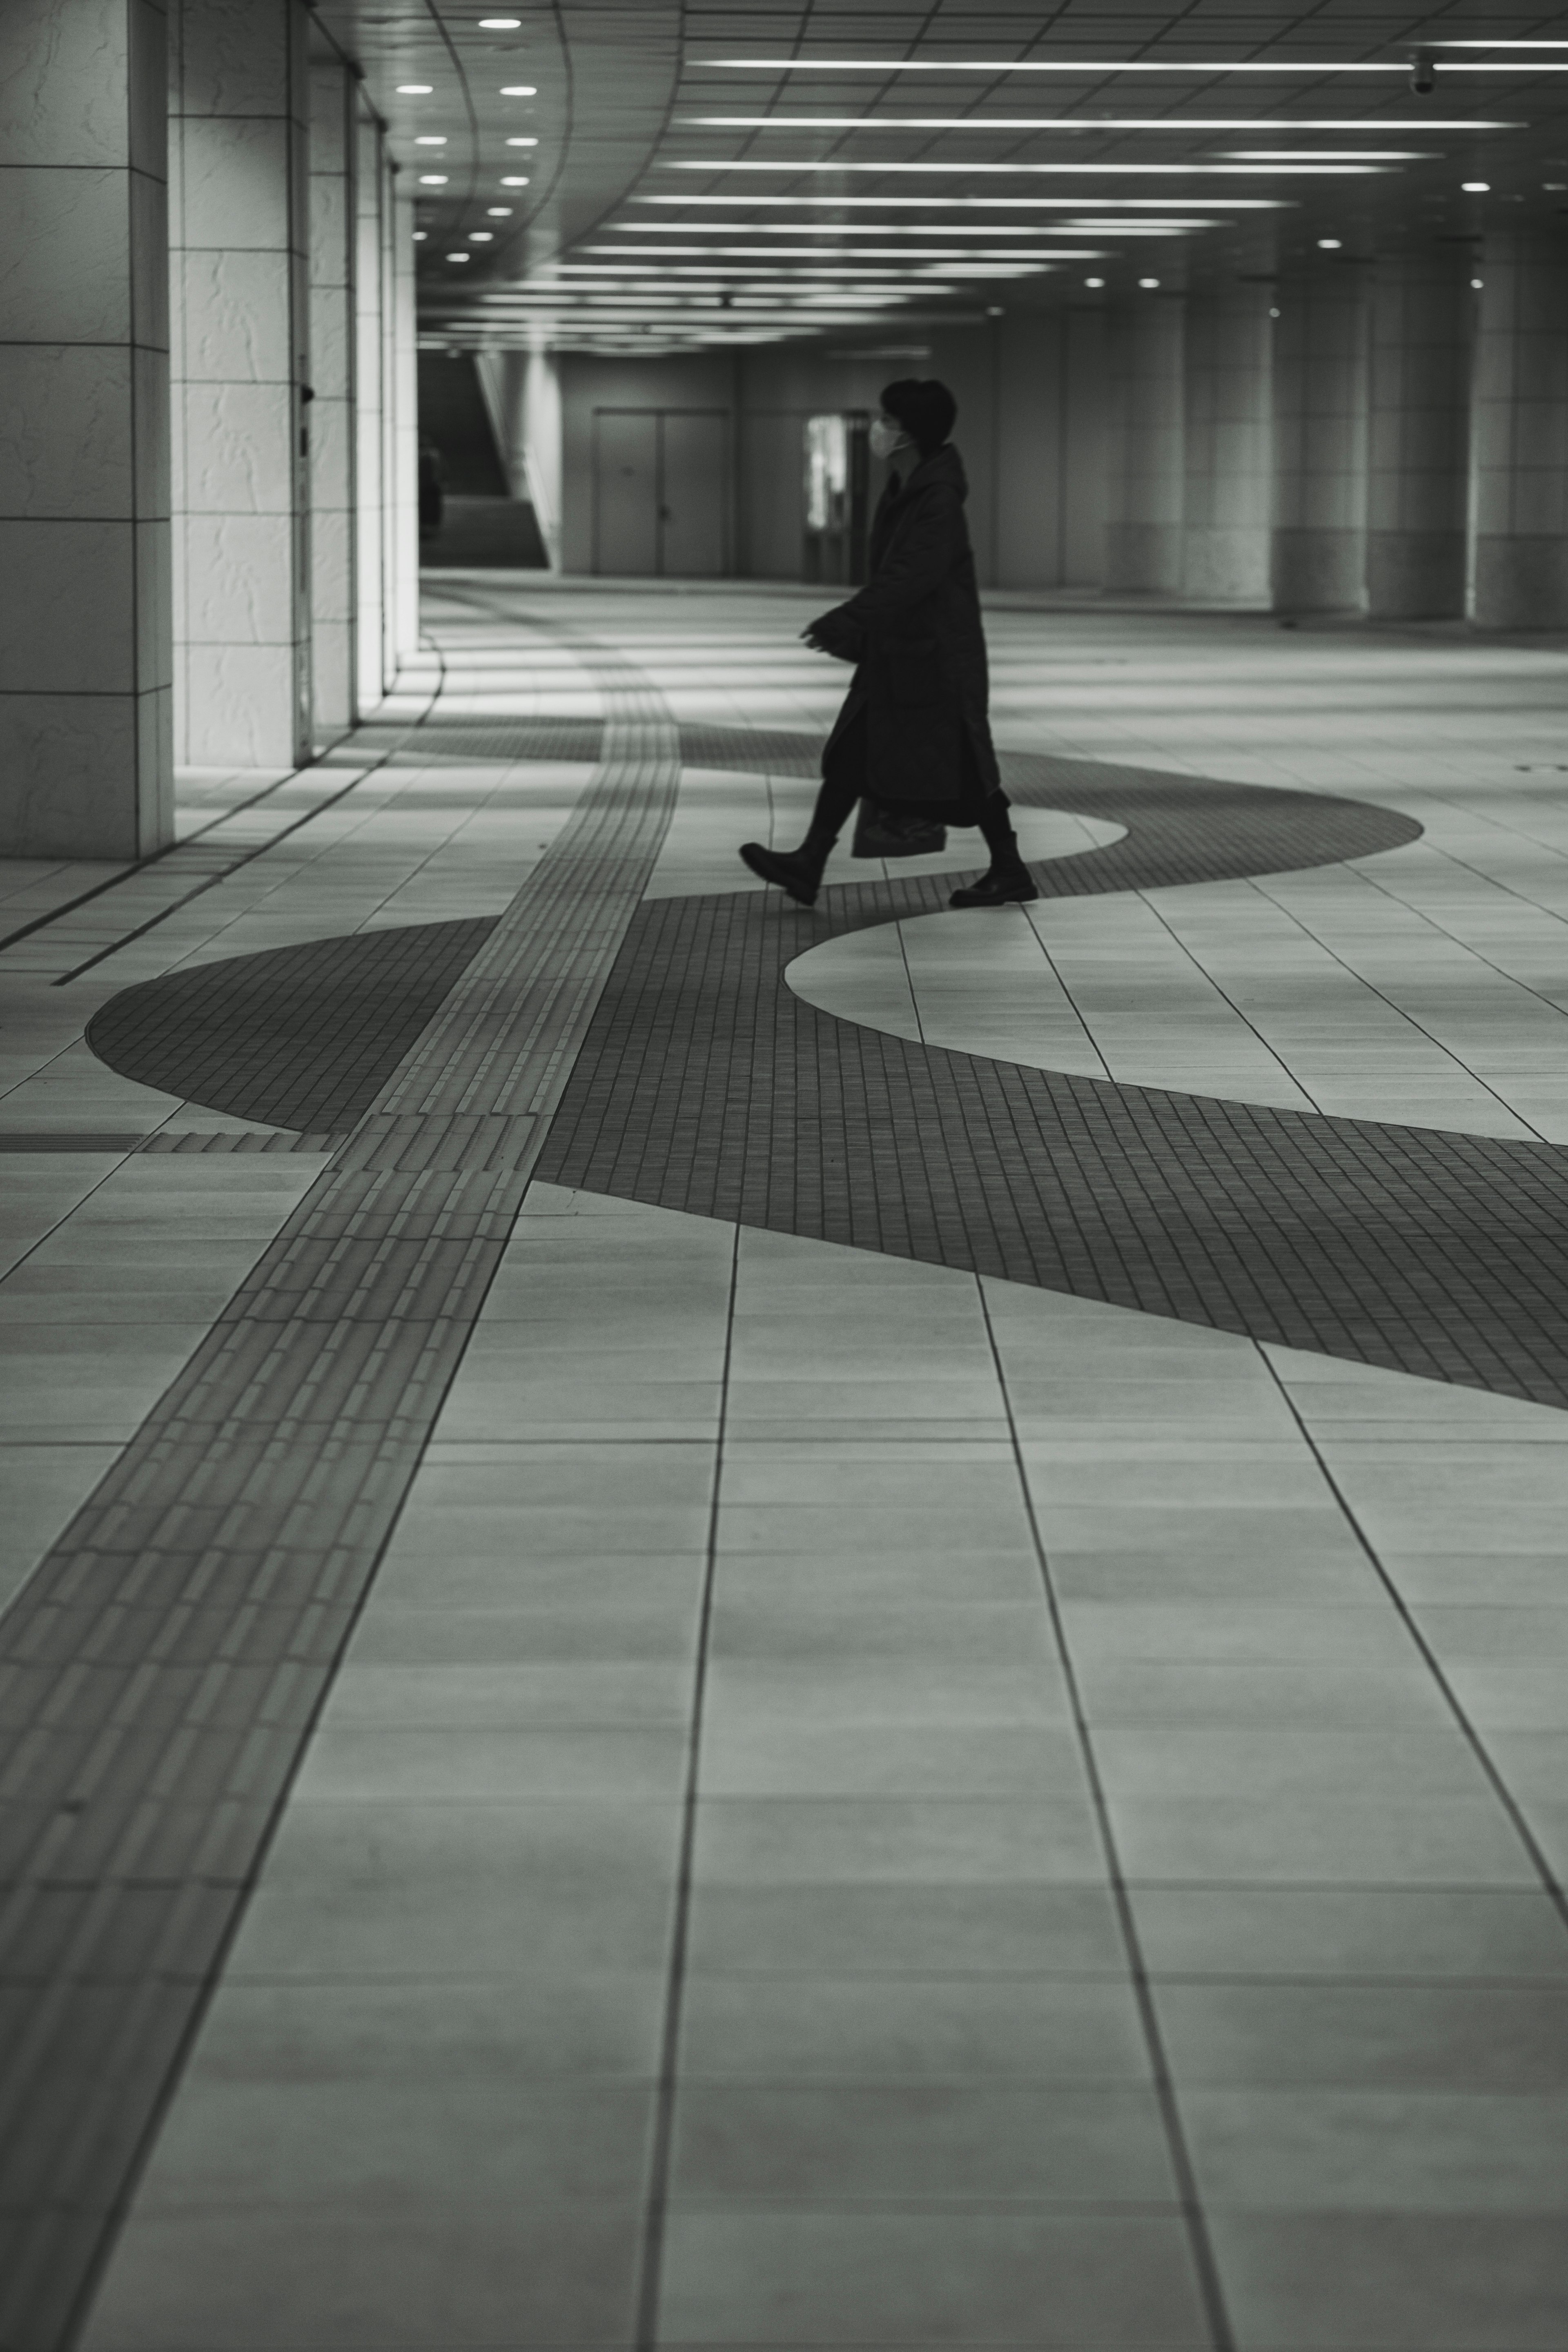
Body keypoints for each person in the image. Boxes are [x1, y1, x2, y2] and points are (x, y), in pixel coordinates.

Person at [740, 378, 1037, 911]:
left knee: (968, 774)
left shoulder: (937, 499)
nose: (878, 429)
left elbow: (912, 576)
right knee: (854, 755)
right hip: (902, 656)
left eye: (887, 421)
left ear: (909, 433)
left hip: (936, 661)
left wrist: (847, 620)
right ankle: (808, 862)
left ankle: (1010, 869)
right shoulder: (906, 489)